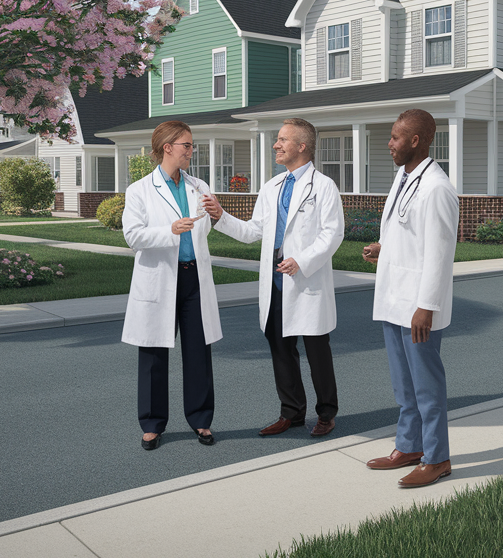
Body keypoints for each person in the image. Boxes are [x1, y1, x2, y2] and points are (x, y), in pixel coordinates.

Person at [207, 118, 345, 438]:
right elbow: (254, 230)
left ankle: (326, 414)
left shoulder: (322, 186)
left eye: (282, 140)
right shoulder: (271, 188)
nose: (276, 145)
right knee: (281, 350)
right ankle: (292, 413)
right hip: (275, 284)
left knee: (316, 352)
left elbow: (333, 233)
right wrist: (221, 216)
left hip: (305, 282)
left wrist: (303, 260)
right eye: (276, 140)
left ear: (301, 146)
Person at [361, 109, 459, 488]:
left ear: (416, 141)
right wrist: (383, 248)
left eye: (396, 138)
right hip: (393, 298)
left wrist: (426, 306)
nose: (390, 144)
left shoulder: (436, 187)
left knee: (427, 386)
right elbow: (410, 235)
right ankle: (410, 446)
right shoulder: (404, 178)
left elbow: (439, 253)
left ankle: (437, 458)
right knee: (404, 385)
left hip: (418, 307)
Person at [121, 121, 224, 451]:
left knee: (198, 351)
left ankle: (201, 420)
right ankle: (151, 424)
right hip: (161, 278)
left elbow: (204, 228)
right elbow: (133, 236)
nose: (191, 151)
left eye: (191, 146)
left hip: (194, 277)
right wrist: (171, 230)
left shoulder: (199, 185)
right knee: (153, 352)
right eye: (187, 145)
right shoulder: (139, 190)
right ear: (168, 147)